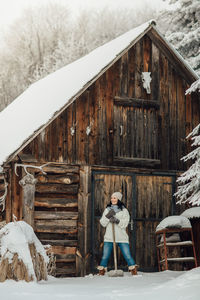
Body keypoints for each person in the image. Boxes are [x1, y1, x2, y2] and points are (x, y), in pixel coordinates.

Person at [97, 192, 138, 276]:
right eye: (112, 198)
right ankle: (102, 270)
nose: (112, 199)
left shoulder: (124, 211)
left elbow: (125, 223)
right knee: (105, 255)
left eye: (114, 198)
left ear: (119, 199)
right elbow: (102, 223)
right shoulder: (107, 210)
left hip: (121, 236)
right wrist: (108, 216)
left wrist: (117, 220)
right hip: (109, 236)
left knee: (127, 255)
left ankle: (133, 269)